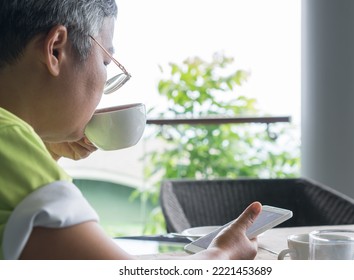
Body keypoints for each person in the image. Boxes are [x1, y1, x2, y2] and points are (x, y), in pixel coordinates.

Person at [0, 0, 262, 260]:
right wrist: (222, 253)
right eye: (105, 61)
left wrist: (44, 152)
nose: (104, 82)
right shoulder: (10, 144)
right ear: (56, 50)